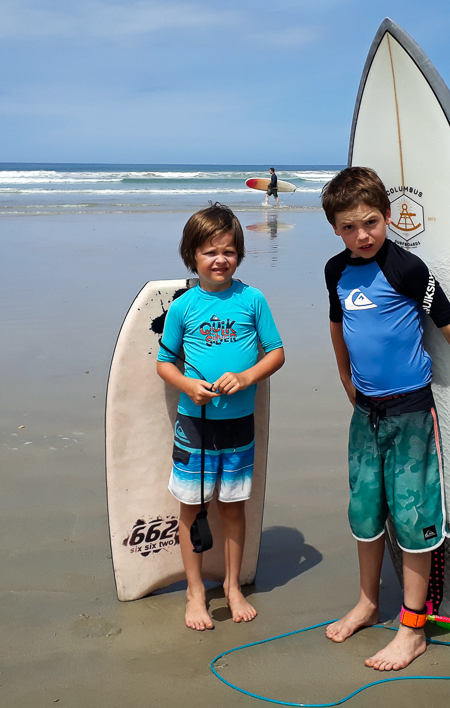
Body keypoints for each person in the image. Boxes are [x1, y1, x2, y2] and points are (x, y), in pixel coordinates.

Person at [320, 167, 450, 670]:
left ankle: (412, 628)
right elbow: (339, 328)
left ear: (388, 216)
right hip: (366, 414)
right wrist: (345, 379)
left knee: (412, 518)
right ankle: (367, 603)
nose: (361, 235)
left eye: (369, 222)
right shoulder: (335, 271)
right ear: (335, 229)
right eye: (348, 227)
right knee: (364, 512)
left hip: (409, 413)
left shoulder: (409, 269)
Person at [156, 203, 286, 631]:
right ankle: (195, 592)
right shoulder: (183, 306)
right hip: (194, 423)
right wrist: (188, 386)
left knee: (233, 508)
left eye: (229, 251)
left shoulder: (252, 300)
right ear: (192, 255)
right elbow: (164, 362)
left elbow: (277, 353)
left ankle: (231, 586)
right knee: (191, 508)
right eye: (210, 251)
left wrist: (248, 376)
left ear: (240, 255)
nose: (220, 260)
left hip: (237, 425)